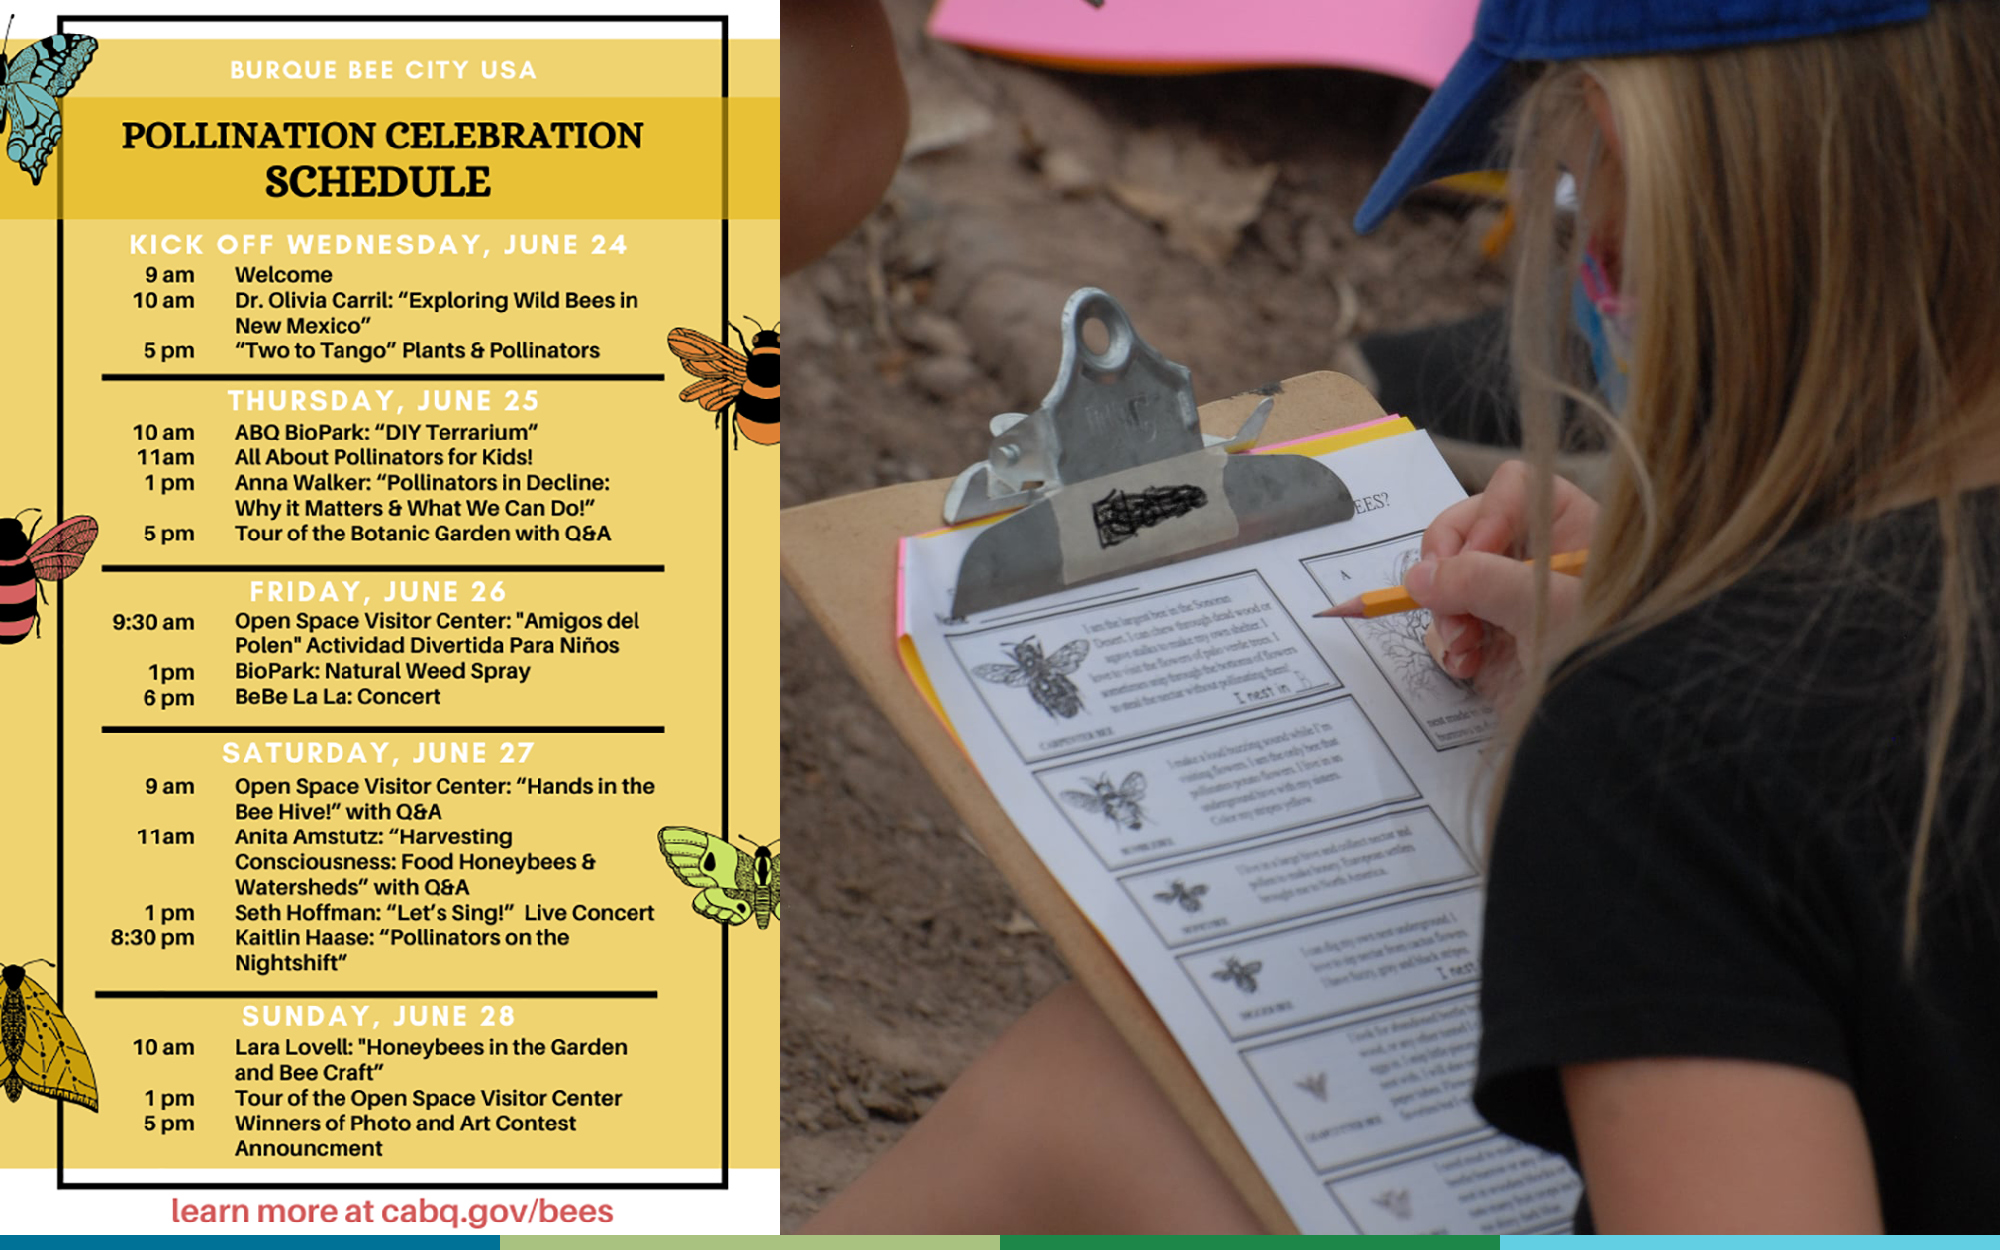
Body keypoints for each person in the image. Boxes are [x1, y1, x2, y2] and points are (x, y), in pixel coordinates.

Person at [808, 0, 2000, 1232]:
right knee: (1117, 1084)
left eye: (1574, 226)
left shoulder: (1667, 756)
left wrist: (1643, 768)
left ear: (1626, 164)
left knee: (1067, 1103)